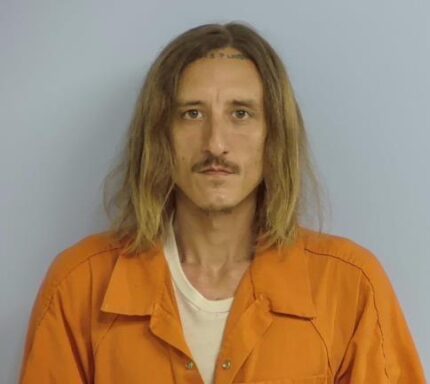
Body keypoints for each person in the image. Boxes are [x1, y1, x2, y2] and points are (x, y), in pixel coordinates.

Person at [19, 22, 426, 384]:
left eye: (242, 114)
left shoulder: (350, 286)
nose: (216, 144)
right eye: (192, 114)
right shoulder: (79, 285)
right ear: (160, 135)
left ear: (275, 136)